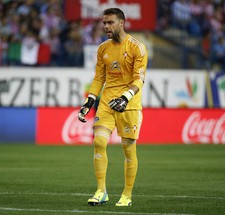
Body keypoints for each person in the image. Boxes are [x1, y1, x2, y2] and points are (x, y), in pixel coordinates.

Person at [78, 8, 148, 206]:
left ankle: (127, 195)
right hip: (108, 103)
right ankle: (101, 191)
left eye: (110, 22)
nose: (106, 26)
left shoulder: (137, 47)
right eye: (104, 23)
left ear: (121, 23)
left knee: (129, 150)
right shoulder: (103, 49)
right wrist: (90, 100)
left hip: (130, 105)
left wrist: (125, 98)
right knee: (99, 142)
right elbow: (99, 77)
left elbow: (139, 78)